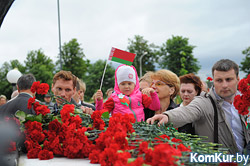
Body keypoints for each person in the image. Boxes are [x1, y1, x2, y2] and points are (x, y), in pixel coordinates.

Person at [147, 59, 250, 154]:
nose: (224, 85)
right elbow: (187, 112)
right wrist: (167, 117)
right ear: (213, 81)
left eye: (229, 79)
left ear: (238, 79)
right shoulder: (204, 101)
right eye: (219, 80)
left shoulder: (245, 100)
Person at [95, 64, 160, 122]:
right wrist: (99, 101)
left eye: (129, 83)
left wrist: (153, 93)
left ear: (135, 84)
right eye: (123, 84)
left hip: (139, 129)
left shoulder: (141, 96)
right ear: (118, 85)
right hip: (121, 129)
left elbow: (155, 107)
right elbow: (102, 114)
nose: (126, 87)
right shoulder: (114, 98)